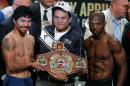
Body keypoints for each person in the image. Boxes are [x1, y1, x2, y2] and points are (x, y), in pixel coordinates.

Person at [36, 1, 85, 86]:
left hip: (66, 83)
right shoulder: (44, 31)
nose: (59, 21)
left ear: (70, 19)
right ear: (53, 17)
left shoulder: (77, 37)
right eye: (56, 17)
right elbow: (35, 55)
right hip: (43, 80)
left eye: (63, 18)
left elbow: (81, 65)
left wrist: (67, 78)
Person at [1, 6, 44, 86]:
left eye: (29, 21)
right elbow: (11, 66)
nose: (26, 24)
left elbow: (31, 59)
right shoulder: (9, 40)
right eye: (23, 21)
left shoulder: (31, 39)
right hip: (14, 80)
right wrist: (31, 64)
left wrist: (39, 63)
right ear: (14, 21)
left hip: (29, 79)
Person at [84, 11, 127, 86]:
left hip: (105, 82)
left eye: (98, 24)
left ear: (104, 24)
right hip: (89, 82)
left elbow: (123, 67)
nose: (94, 27)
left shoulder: (112, 42)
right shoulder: (87, 42)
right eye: (91, 24)